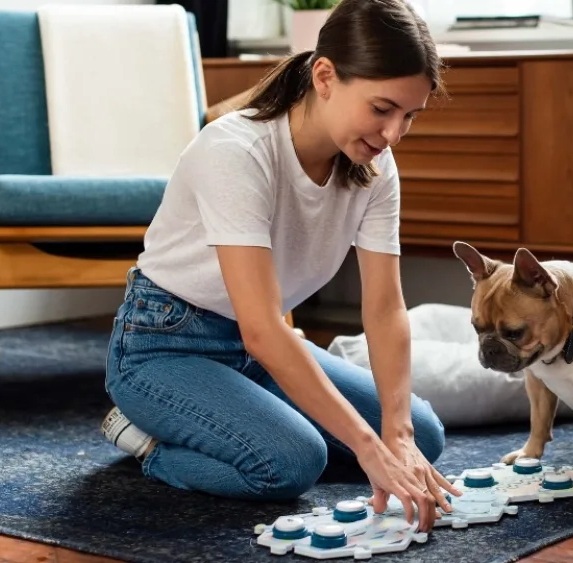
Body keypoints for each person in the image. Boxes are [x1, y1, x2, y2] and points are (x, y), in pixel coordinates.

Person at [99, 0, 460, 532]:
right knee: (292, 462)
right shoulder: (236, 151)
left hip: (258, 355)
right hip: (165, 348)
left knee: (422, 435)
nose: (393, 134)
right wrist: (367, 445)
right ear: (325, 76)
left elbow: (385, 310)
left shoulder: (376, 168)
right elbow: (263, 329)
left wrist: (397, 435)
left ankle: (249, 416)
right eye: (382, 108)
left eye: (409, 116)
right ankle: (146, 441)